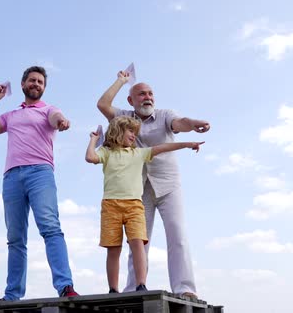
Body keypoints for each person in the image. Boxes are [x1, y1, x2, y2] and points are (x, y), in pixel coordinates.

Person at [96, 70, 211, 298]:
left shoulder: (165, 115)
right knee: (138, 239)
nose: (147, 97)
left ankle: (185, 288)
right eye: (141, 94)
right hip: (138, 189)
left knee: (177, 233)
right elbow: (102, 104)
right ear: (131, 100)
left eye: (150, 93)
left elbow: (181, 123)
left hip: (168, 185)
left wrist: (194, 123)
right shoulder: (124, 119)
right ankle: (133, 289)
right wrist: (122, 80)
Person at [0, 66, 78, 300]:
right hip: (11, 177)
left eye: (40, 82)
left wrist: (62, 120)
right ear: (23, 85)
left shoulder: (49, 110)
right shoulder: (11, 116)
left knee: (50, 228)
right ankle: (12, 295)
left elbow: (56, 118)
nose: (36, 84)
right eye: (32, 80)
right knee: (15, 238)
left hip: (40, 173)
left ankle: (65, 286)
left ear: (44, 87)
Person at [85, 116, 204, 294]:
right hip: (110, 206)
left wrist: (187, 144)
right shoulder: (106, 152)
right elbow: (90, 157)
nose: (134, 135)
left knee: (138, 243)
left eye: (135, 132)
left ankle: (141, 284)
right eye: (130, 131)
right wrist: (94, 139)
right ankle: (113, 289)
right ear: (119, 131)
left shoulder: (138, 153)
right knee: (113, 248)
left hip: (134, 205)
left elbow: (163, 147)